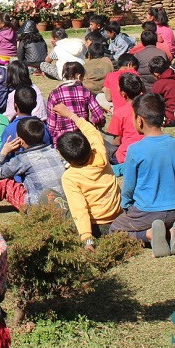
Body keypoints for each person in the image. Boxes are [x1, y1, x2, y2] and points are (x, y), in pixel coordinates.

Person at [109, 93, 175, 256]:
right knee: (162, 220)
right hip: (174, 210)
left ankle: (149, 235)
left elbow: (129, 185)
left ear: (140, 120)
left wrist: (125, 205)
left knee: (115, 229)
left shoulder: (135, 150)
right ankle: (171, 231)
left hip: (146, 211)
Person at [53, 103, 122, 245]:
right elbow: (91, 131)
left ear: (68, 159)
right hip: (117, 216)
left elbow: (79, 209)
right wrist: (71, 115)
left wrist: (87, 238)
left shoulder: (70, 177)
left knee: (47, 195)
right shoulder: (100, 152)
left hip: (95, 226)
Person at [45, 61, 105, 142]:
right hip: (83, 137)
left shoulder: (54, 94)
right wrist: (95, 124)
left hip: (62, 140)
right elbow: (99, 116)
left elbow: (51, 124)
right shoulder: (85, 91)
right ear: (80, 76)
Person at [106, 73, 146, 164]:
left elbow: (117, 141)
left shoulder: (120, 113)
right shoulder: (147, 108)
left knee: (100, 142)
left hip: (125, 156)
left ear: (123, 93)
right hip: (146, 152)